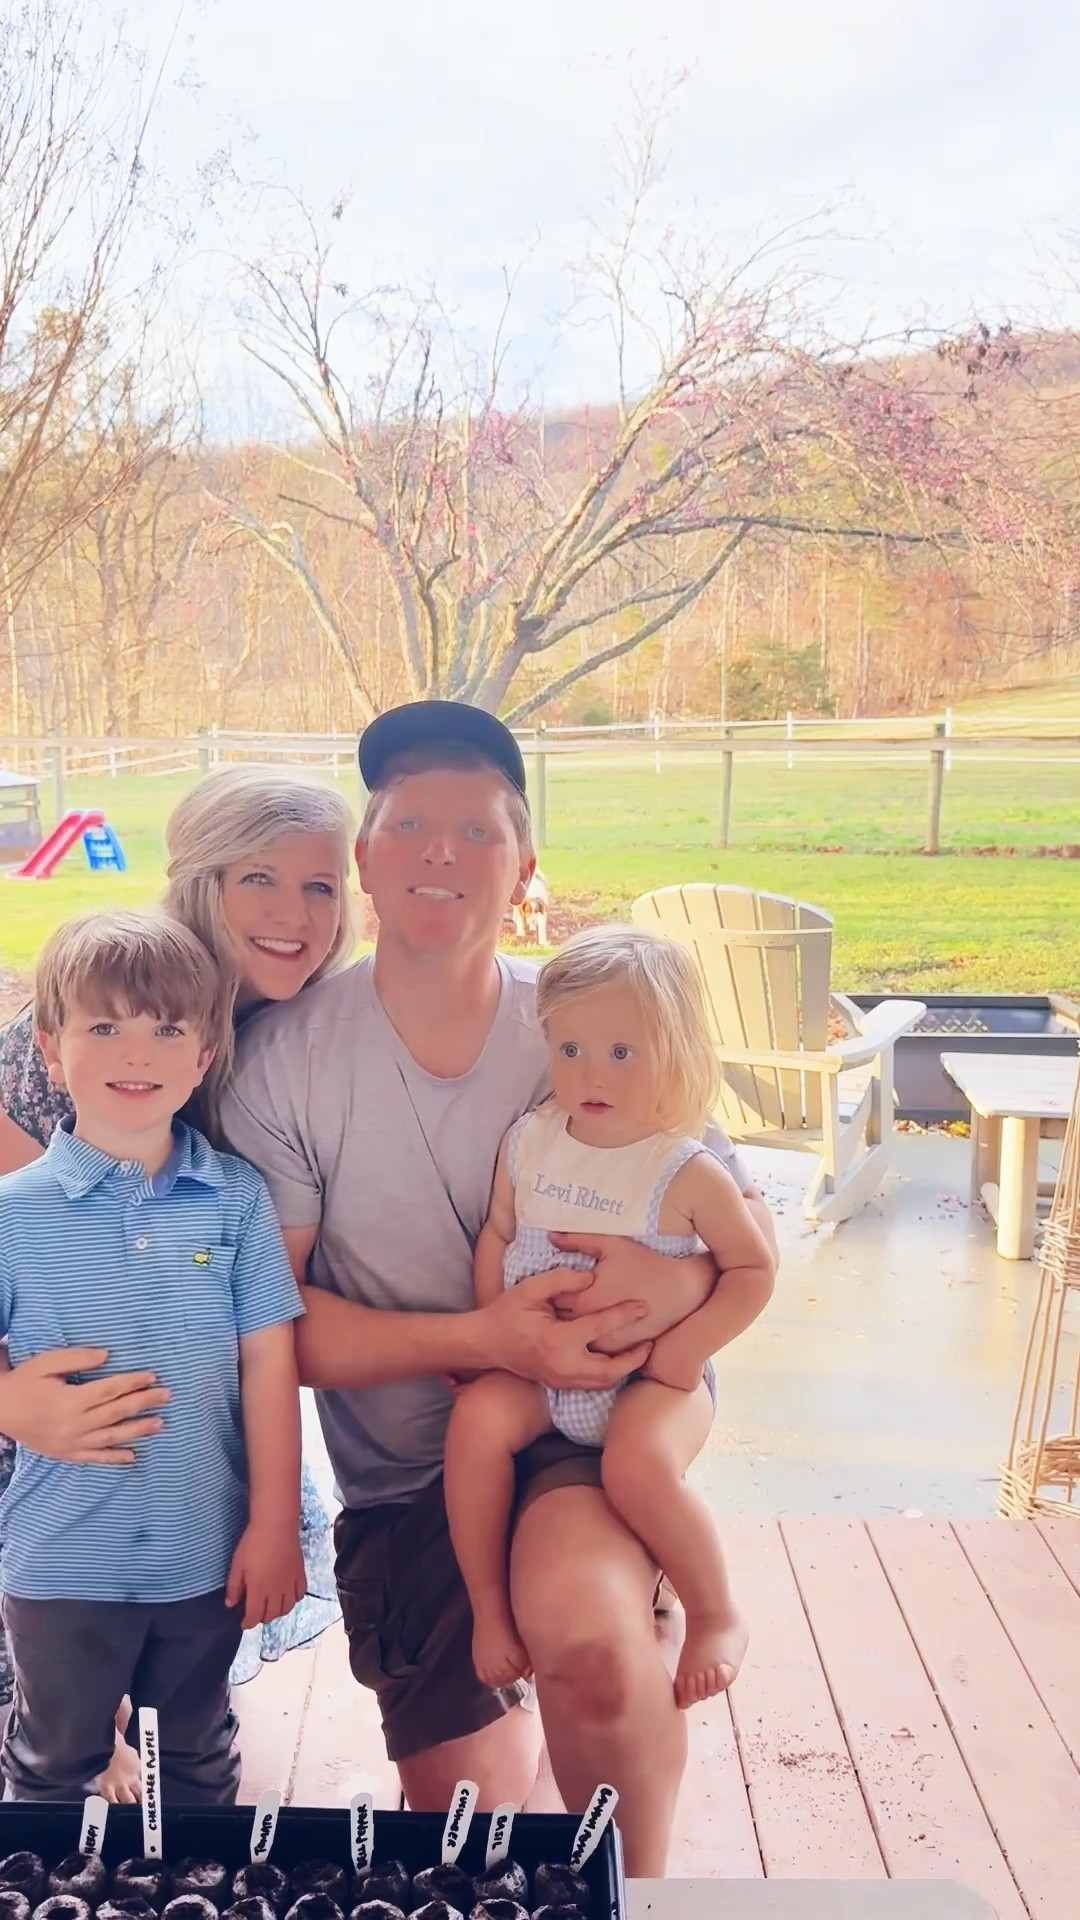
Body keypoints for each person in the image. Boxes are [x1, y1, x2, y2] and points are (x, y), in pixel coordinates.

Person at [221, 699, 778, 1877]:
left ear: (524, 866)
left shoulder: (585, 1021)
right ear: (362, 861)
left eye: (476, 830)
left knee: (585, 1635)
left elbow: (735, 1226)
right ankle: (523, 1718)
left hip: (588, 1427)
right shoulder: (286, 1065)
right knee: (466, 1832)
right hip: (408, 1469)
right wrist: (486, 1336)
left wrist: (672, 1286)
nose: (439, 851)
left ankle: (636, 1895)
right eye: (408, 823)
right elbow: (277, 1326)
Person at [0, 766, 353, 1796]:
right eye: (259, 880)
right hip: (50, 1415)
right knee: (48, 1720)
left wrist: (273, 1518)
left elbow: (265, 1338)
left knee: (186, 1716)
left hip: (187, 1420)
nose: (294, 915)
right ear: (201, 882)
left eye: (321, 886)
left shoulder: (304, 1030)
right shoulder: (101, 999)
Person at [444, 925, 774, 1708]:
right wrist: (493, 1329)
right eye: (571, 1050)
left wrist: (687, 1351)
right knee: (475, 1427)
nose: (591, 1073)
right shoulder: (531, 1142)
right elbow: (498, 1231)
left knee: (635, 1465)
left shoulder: (684, 1164)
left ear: (676, 1052)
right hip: (537, 1368)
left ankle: (715, 1611)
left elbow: (753, 1269)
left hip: (647, 1377)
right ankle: (490, 1609)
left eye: (622, 1054)